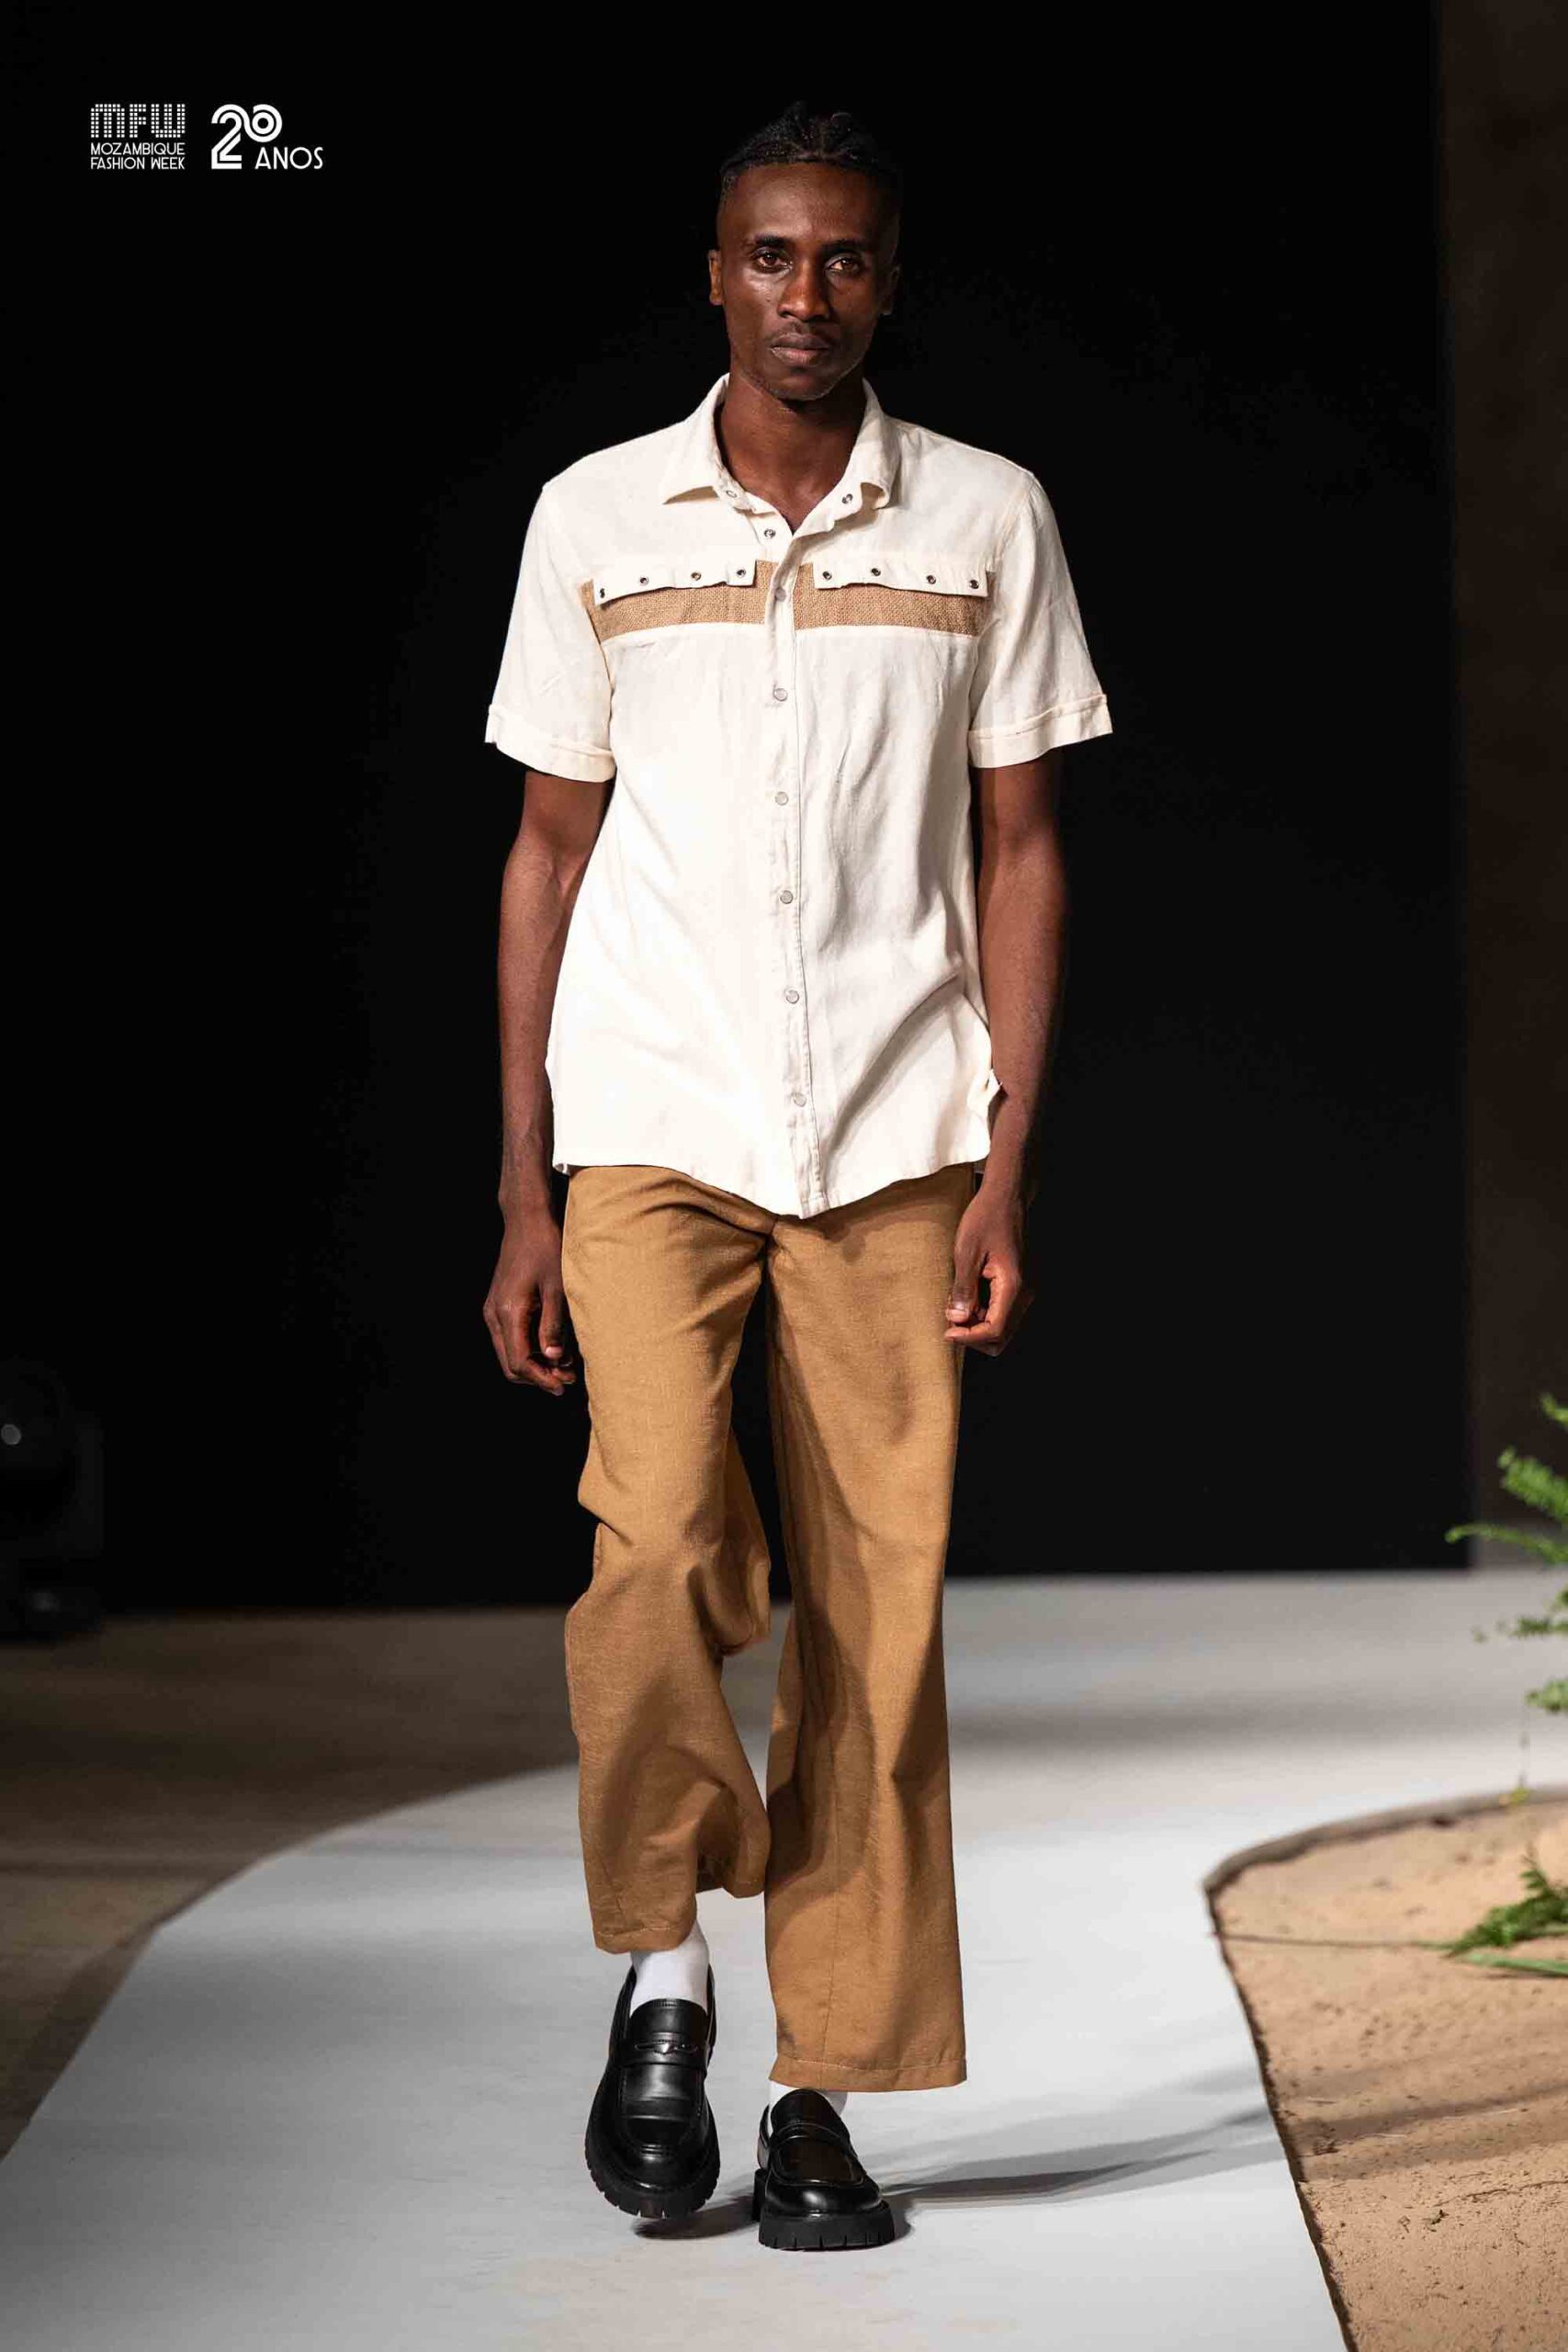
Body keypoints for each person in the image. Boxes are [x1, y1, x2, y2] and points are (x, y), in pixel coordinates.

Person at [481, 98, 1111, 2252]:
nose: (805, 293)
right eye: (769, 254)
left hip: (896, 1123)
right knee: (654, 1542)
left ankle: (815, 2083)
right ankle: (663, 1968)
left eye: (842, 257)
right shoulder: (594, 515)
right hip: (648, 1111)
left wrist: (1006, 1162)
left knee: (874, 1608)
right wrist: (519, 1186)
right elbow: (544, 852)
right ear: (714, 273)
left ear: (887, 280)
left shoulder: (983, 518)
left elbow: (1021, 848)